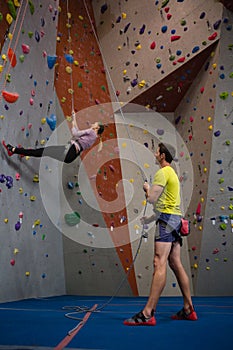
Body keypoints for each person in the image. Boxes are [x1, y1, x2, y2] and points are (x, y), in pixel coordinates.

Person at [124, 142, 197, 326]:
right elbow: (165, 203)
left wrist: (147, 189)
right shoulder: (171, 173)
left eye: (157, 151)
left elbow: (152, 199)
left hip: (167, 221)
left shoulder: (162, 173)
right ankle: (189, 309)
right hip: (175, 219)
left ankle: (147, 313)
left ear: (162, 155)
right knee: (175, 263)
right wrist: (148, 220)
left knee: (159, 262)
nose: (155, 153)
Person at [2, 111, 104, 163]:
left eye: (95, 124)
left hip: (69, 150)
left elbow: (75, 133)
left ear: (97, 127)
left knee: (42, 151)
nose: (93, 124)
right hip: (71, 156)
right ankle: (22, 152)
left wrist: (73, 124)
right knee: (44, 152)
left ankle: (14, 150)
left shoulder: (92, 131)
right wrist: (74, 119)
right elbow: (78, 133)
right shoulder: (94, 139)